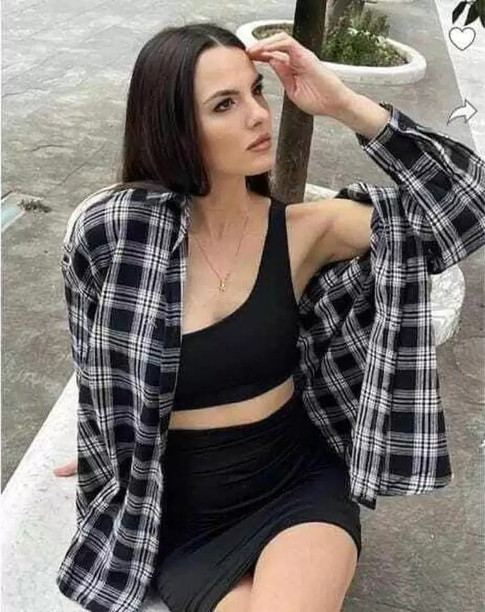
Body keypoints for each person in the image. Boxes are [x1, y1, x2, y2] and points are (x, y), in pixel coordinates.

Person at [56, 21, 485, 612]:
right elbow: (96, 368)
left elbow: (469, 208)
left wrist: (344, 103)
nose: (259, 114)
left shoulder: (305, 231)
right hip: (182, 514)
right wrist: (108, 450)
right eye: (224, 104)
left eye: (256, 91)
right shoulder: (114, 236)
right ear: (174, 126)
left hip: (295, 484)